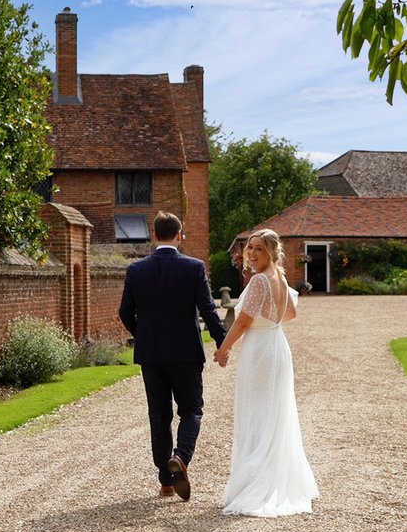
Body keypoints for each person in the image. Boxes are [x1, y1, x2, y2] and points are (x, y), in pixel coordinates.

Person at [119, 212, 227, 501]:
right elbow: (208, 309)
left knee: (159, 414)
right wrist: (221, 342)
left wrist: (143, 335)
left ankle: (166, 482)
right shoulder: (194, 267)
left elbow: (124, 313)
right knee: (191, 410)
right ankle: (181, 456)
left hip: (151, 354)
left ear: (155, 235)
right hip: (186, 353)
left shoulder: (136, 270)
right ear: (179, 236)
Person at [214, 228, 318, 516]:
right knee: (274, 411)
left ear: (271, 251)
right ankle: (274, 477)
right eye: (250, 248)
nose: (253, 253)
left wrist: (224, 349)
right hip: (276, 343)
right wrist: (270, 322)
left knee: (258, 411)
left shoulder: (260, 280)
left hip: (261, 349)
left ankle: (256, 484)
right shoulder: (281, 278)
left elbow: (244, 321)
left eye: (259, 248)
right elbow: (290, 314)